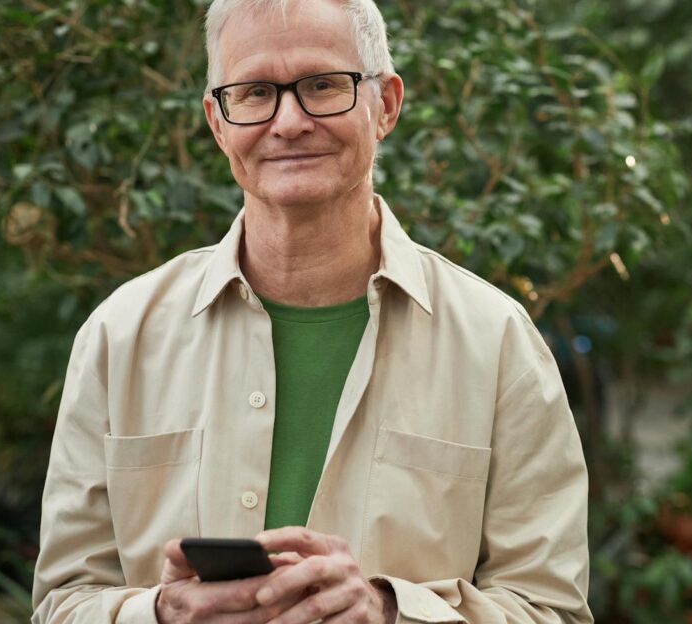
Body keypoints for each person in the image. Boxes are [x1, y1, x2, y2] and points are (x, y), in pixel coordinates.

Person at [31, 0, 591, 622]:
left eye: (324, 85)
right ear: (218, 122)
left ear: (386, 105)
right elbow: (61, 603)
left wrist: (389, 612)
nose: (290, 121)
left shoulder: (498, 345)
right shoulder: (120, 336)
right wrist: (163, 614)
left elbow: (552, 609)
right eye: (255, 92)